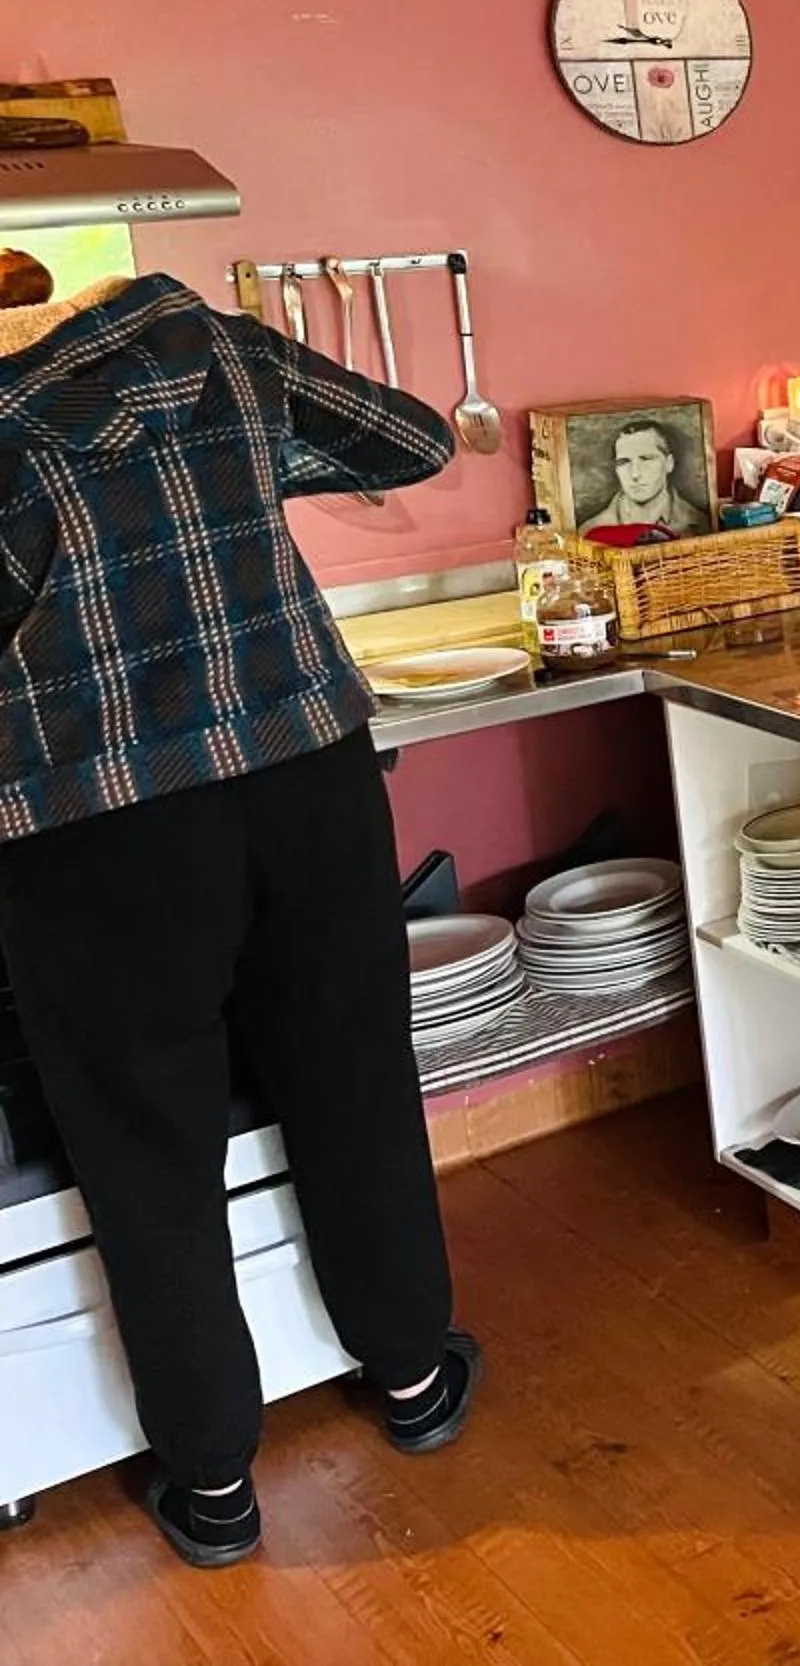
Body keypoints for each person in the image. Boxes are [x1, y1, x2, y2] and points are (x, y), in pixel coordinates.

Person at [0, 271, 480, 1567]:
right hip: (305, 773)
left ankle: (213, 1481)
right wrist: (241, 463)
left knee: (147, 1145)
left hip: (104, 825)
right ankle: (413, 1376)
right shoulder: (214, 353)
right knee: (354, 1080)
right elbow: (416, 440)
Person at [579, 415, 708, 535]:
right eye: (624, 462)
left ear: (669, 463)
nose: (635, 474)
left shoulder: (700, 524)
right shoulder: (591, 531)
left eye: (646, 459)